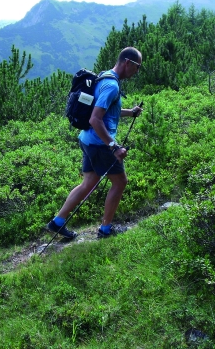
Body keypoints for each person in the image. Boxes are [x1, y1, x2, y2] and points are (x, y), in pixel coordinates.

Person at [47, 47, 143, 239]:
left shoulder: (104, 77)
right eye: (137, 67)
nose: (137, 71)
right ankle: (105, 230)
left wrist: (130, 112)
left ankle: (57, 222)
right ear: (128, 63)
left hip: (87, 140)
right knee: (120, 182)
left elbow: (107, 110)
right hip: (100, 144)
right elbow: (95, 119)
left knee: (88, 182)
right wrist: (114, 146)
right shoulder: (112, 86)